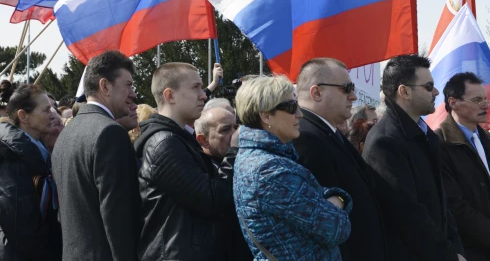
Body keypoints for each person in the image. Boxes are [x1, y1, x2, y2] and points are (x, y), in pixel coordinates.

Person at [234, 75, 352, 261]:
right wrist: (338, 199)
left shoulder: (262, 159)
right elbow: (337, 228)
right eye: (290, 107)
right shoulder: (269, 170)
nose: (300, 114)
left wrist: (332, 198)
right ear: (265, 116)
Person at [363, 54, 465, 261]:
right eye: (428, 86)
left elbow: (442, 206)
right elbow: (407, 215)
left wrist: (456, 248)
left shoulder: (424, 135)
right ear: (405, 91)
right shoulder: (385, 142)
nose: (436, 92)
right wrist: (448, 255)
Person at [292, 57, 387, 261]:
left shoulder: (326, 132)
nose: (353, 96)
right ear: (316, 92)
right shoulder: (306, 137)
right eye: (346, 88)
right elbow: (327, 222)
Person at [135, 63, 231, 260]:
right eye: (195, 87)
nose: (203, 95)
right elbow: (211, 200)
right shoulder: (164, 143)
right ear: (170, 96)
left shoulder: (176, 138)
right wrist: (235, 152)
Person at [52, 50, 140, 261]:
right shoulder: (110, 132)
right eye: (128, 85)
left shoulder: (66, 134)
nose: (134, 93)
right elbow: (118, 217)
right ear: (105, 86)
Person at [0, 84, 62, 260]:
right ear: (23, 116)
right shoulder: (9, 158)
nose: (52, 113)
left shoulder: (34, 152)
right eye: (45, 110)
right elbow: (19, 224)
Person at [436, 72, 490, 261]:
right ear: (453, 103)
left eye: (485, 99)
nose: (485, 105)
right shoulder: (439, 143)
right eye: (477, 100)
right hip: (469, 251)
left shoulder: (486, 140)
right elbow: (455, 207)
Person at [194, 107, 253, 261]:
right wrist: (233, 151)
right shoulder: (200, 171)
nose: (235, 134)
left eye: (236, 127)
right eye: (225, 129)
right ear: (203, 140)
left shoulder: (248, 160)